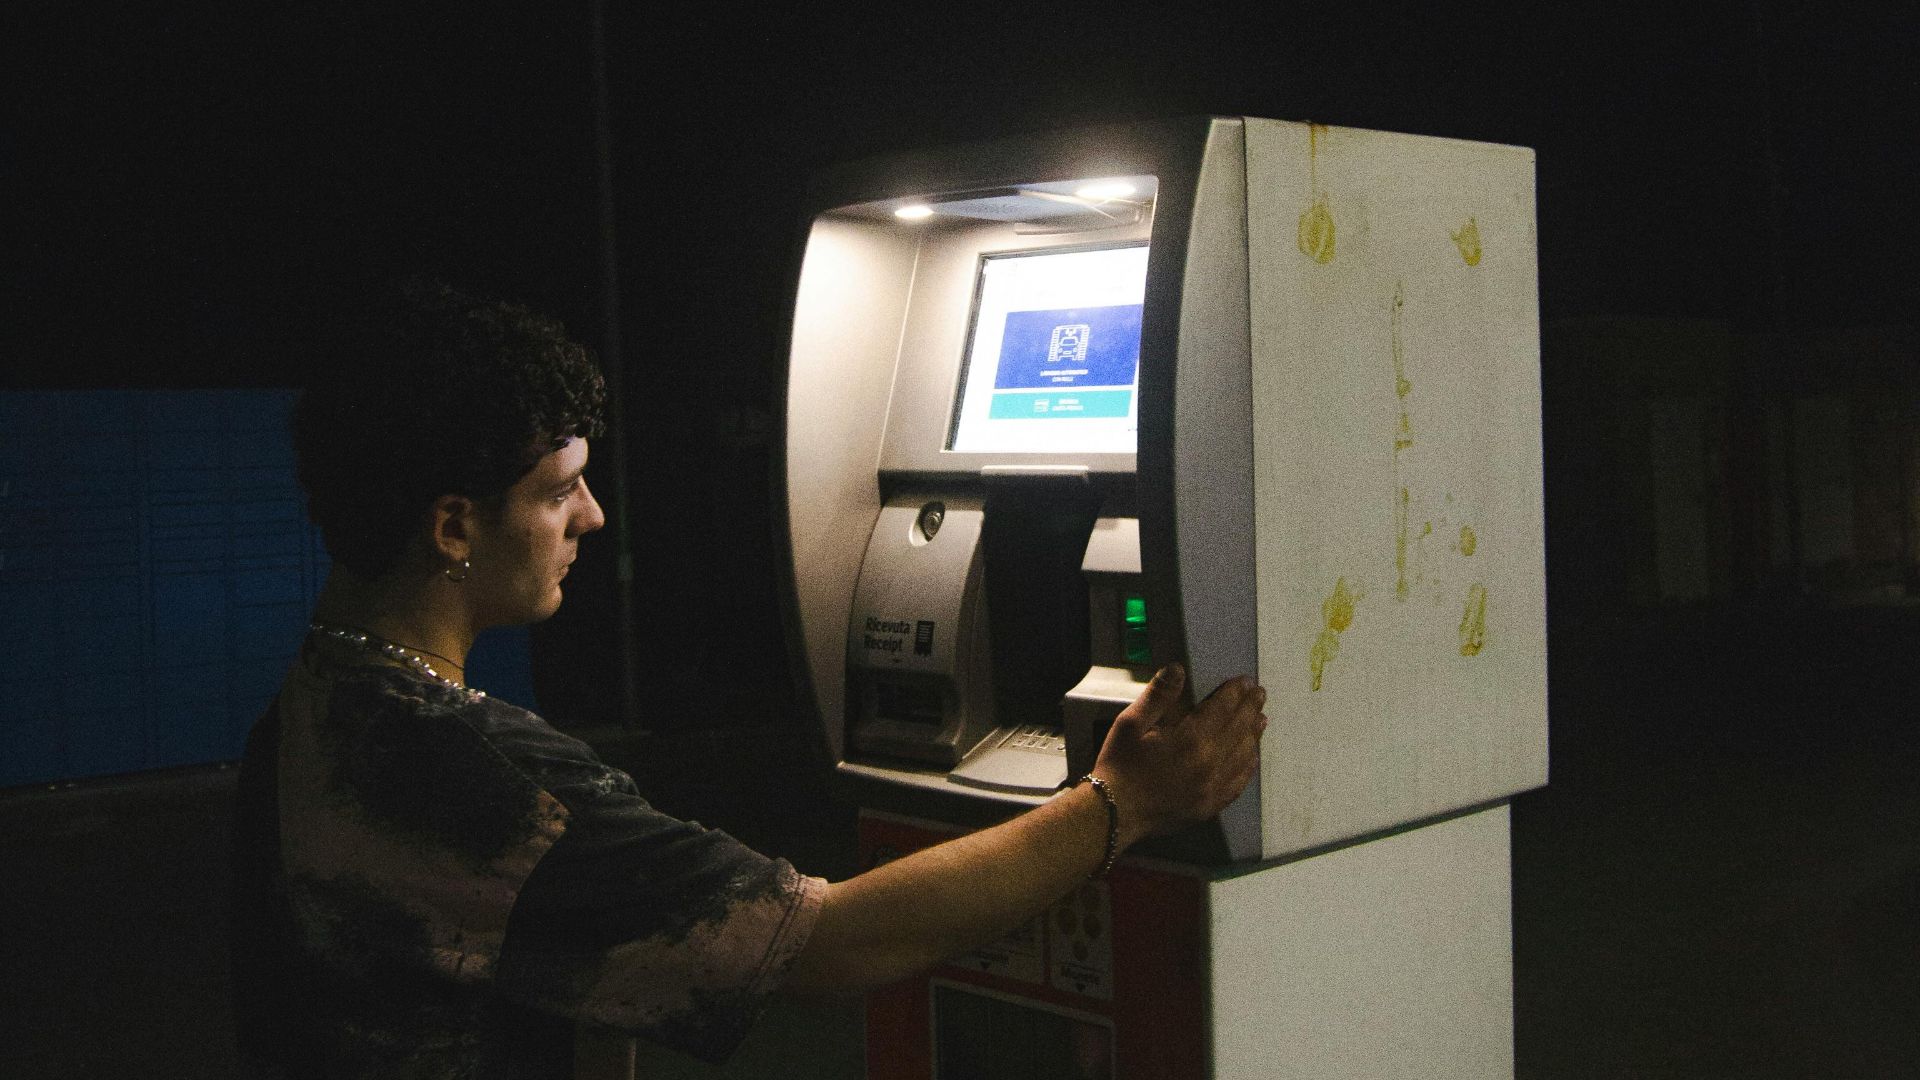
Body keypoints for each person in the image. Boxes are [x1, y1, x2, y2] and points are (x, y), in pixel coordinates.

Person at [230, 281, 1267, 1079]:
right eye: (558, 490)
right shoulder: (483, 784)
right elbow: (824, 944)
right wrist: (1121, 803)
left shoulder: (311, 710)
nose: (590, 515)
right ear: (453, 525)